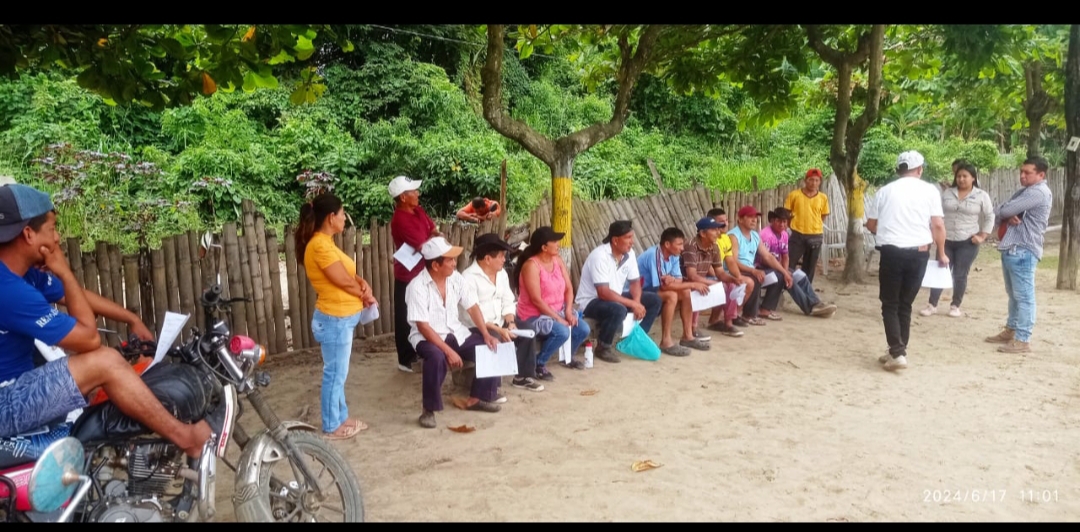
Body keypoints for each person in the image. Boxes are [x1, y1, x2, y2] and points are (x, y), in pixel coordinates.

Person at [0, 183, 232, 458]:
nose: (58, 237)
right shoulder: (9, 290)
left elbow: (76, 295)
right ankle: (186, 438)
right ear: (28, 234)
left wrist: (131, 318)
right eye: (52, 229)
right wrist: (64, 271)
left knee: (110, 381)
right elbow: (89, 339)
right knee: (106, 361)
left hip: (18, 385)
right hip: (6, 403)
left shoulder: (20, 274)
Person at [296, 193, 377, 440]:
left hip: (340, 318)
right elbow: (341, 280)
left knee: (338, 373)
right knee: (335, 374)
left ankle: (341, 416)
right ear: (331, 217)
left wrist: (362, 283)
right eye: (343, 214)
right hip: (334, 318)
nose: (344, 218)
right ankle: (332, 425)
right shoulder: (319, 246)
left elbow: (347, 273)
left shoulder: (326, 242)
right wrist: (364, 294)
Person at [406, 237, 501, 428]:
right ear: (435, 265)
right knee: (436, 357)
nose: (454, 263)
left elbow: (472, 307)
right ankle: (428, 410)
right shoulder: (417, 287)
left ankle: (477, 398)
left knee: (490, 347)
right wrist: (448, 351)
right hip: (427, 337)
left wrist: (486, 334)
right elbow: (423, 326)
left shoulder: (455, 278)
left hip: (456, 331)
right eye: (449, 260)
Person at [865, 150, 947, 371]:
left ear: (899, 170)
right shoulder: (930, 190)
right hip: (919, 253)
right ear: (919, 169)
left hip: (892, 253)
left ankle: (897, 351)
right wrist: (941, 252)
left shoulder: (884, 191)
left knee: (890, 303)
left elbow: (871, 224)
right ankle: (898, 349)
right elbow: (938, 225)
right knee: (905, 303)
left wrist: (887, 231)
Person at [984, 156, 1053, 354]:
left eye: (1027, 172)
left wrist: (1005, 212)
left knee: (1024, 297)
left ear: (1041, 174)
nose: (1022, 175)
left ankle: (1022, 339)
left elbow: (1005, 209)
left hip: (1023, 249)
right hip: (1014, 248)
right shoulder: (1025, 191)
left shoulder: (1038, 192)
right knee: (1015, 295)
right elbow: (998, 210)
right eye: (1021, 171)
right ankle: (1011, 330)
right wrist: (1005, 214)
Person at [461, 233, 544, 392]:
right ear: (487, 259)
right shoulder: (468, 278)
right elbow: (472, 315)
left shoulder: (502, 274)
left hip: (501, 321)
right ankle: (490, 390)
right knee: (495, 337)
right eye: (500, 256)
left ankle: (522, 377)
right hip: (478, 327)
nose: (504, 260)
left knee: (528, 330)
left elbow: (508, 300)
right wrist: (499, 330)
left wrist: (511, 322)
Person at [576, 220, 662, 364]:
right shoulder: (599, 256)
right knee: (618, 309)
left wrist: (637, 302)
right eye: (628, 238)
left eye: (632, 237)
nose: (632, 242)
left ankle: (635, 339)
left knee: (654, 300)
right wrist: (633, 304)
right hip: (591, 301)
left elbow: (635, 282)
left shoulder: (630, 254)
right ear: (615, 240)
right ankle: (603, 347)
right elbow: (603, 292)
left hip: (615, 296)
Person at [919, 162, 994, 318]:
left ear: (973, 178)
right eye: (959, 176)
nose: (961, 179)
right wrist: (932, 233)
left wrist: (982, 236)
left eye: (965, 176)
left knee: (960, 274)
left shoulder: (981, 195)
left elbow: (989, 216)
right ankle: (932, 305)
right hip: (946, 240)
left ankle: (955, 305)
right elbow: (936, 214)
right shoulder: (947, 193)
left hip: (968, 241)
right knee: (940, 270)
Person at [514, 226, 590, 378]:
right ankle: (539, 363)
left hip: (557, 310)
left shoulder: (557, 260)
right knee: (561, 331)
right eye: (554, 242)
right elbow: (536, 300)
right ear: (544, 247)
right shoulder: (531, 266)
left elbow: (569, 288)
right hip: (534, 315)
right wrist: (558, 319)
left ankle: (568, 357)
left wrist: (568, 311)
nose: (558, 244)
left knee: (583, 329)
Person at [390, 175, 440, 373]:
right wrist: (434, 239)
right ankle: (406, 358)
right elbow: (423, 245)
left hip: (422, 269)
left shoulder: (418, 210)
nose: (417, 193)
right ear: (403, 197)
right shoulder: (400, 219)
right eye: (413, 191)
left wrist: (433, 236)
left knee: (423, 311)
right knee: (405, 315)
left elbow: (432, 229)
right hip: (408, 273)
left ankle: (420, 350)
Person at [637, 227, 711, 356]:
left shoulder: (674, 256)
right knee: (671, 295)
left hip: (653, 289)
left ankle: (687, 336)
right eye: (679, 244)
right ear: (667, 244)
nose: (682, 248)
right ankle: (666, 341)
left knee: (686, 292)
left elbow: (679, 280)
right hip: (638, 292)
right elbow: (664, 287)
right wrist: (693, 284)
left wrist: (672, 279)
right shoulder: (654, 254)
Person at [758, 207, 837, 318]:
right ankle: (809, 308)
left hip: (776, 268)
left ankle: (816, 302)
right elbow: (765, 260)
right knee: (787, 278)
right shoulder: (766, 235)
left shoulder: (784, 234)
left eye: (784, 221)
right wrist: (784, 272)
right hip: (761, 268)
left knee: (799, 275)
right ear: (772, 220)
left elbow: (785, 256)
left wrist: (786, 270)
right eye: (778, 221)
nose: (782, 224)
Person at [727, 206, 793, 326]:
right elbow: (733, 262)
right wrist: (753, 271)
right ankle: (748, 315)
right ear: (740, 219)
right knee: (756, 277)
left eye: (755, 217)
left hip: (748, 269)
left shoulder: (755, 235)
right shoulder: (733, 236)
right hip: (734, 270)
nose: (754, 220)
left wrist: (785, 272)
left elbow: (768, 257)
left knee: (779, 275)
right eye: (750, 217)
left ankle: (765, 309)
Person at [683, 216, 743, 338]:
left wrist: (733, 279)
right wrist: (715, 284)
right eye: (714, 230)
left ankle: (728, 323)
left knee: (731, 285)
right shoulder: (691, 246)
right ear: (703, 233)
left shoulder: (714, 247)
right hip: (685, 281)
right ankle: (693, 328)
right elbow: (691, 276)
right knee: (700, 287)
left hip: (700, 279)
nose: (718, 232)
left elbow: (720, 272)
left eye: (718, 229)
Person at [785, 168, 830, 285]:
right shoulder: (794, 195)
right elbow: (787, 213)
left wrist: (813, 225)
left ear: (819, 182)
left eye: (816, 180)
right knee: (789, 262)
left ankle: (805, 288)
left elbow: (823, 215)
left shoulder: (823, 198)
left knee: (810, 266)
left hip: (815, 235)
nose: (813, 183)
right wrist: (793, 226)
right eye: (811, 180)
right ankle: (785, 286)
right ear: (805, 180)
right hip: (797, 234)